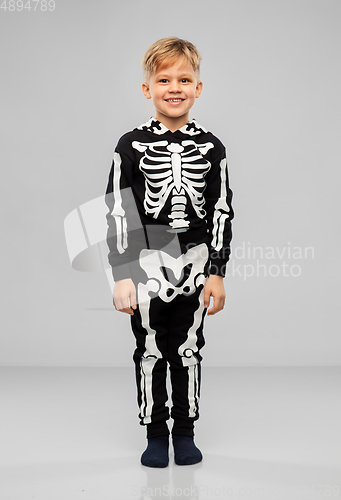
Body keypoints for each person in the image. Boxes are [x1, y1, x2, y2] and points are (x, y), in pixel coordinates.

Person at [105, 37, 234, 467]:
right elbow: (117, 208)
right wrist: (121, 272)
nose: (174, 87)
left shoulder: (212, 147)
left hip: (196, 262)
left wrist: (216, 270)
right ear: (148, 89)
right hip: (146, 263)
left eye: (184, 79)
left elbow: (221, 211)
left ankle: (186, 430)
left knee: (188, 348)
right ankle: (155, 432)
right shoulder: (130, 145)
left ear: (198, 87)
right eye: (163, 80)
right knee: (149, 349)